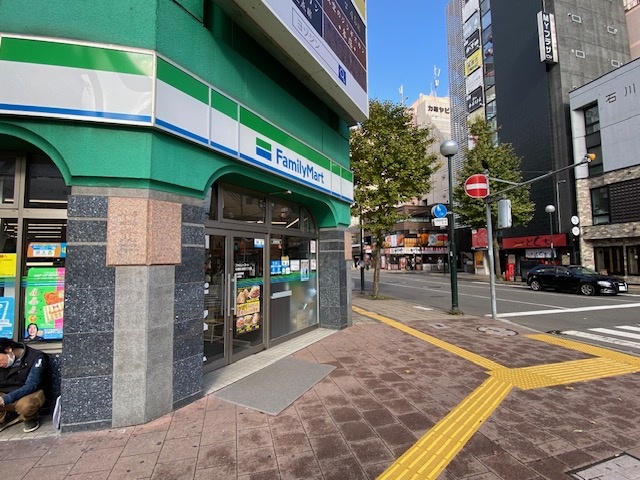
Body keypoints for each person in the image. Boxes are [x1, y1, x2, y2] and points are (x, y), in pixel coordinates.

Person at [0, 339, 47, 433]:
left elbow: (31, 385)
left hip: (27, 393)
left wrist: (6, 399)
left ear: (8, 349)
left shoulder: (35, 357)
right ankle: (4, 416)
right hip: (5, 392)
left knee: (26, 406)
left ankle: (29, 418)